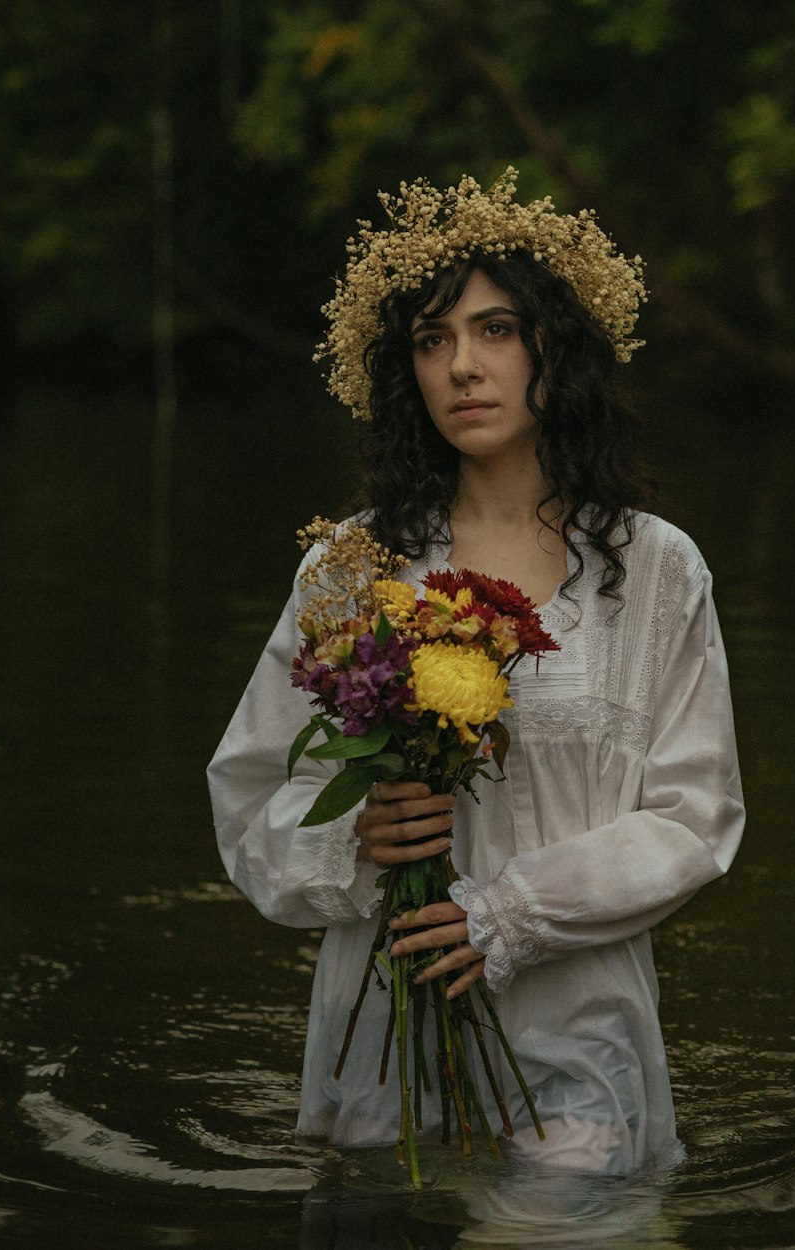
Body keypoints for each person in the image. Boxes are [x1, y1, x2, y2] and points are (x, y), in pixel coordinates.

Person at [207, 169, 745, 1177]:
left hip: (577, 1019)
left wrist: (507, 910)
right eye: (430, 340)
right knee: (371, 1210)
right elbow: (248, 797)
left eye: (495, 330)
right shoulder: (351, 568)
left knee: (563, 1215)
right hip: (380, 1023)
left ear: (556, 349)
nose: (461, 366)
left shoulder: (654, 568)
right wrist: (350, 834)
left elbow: (694, 811)